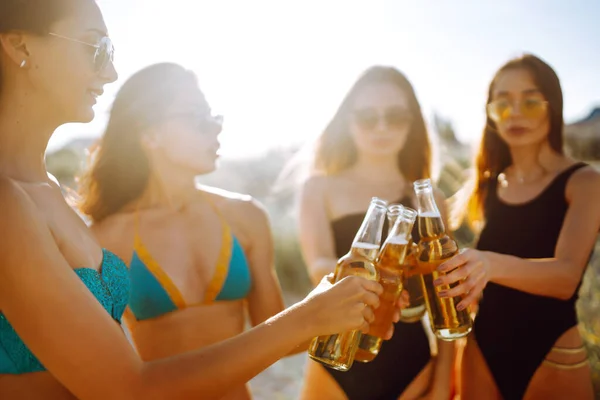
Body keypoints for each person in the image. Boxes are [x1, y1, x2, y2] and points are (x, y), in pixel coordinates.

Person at [0, 1, 403, 398]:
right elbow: (128, 385)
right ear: (20, 47)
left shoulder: (48, 192)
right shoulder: (15, 203)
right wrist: (310, 316)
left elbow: (273, 328)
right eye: (94, 46)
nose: (110, 71)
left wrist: (334, 304)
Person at [79, 62, 291, 400]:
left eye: (213, 117)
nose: (214, 130)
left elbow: (287, 334)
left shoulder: (246, 216)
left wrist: (350, 291)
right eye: (196, 117)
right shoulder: (103, 239)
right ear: (149, 135)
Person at [441, 54, 599, 400]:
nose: (514, 113)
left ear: (552, 107)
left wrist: (489, 263)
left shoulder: (584, 182)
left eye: (529, 101)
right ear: (490, 112)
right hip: (482, 348)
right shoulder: (490, 183)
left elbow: (565, 278)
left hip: (551, 353)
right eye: (503, 103)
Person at [297, 65, 454, 400]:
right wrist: (374, 283)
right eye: (367, 117)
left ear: (413, 123)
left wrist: (443, 385)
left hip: (411, 362)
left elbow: (446, 295)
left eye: (395, 117)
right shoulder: (319, 188)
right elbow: (318, 266)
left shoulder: (430, 200)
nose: (381, 127)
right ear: (347, 121)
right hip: (337, 351)